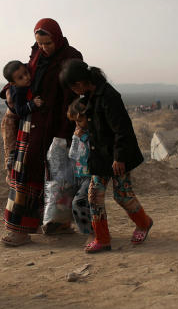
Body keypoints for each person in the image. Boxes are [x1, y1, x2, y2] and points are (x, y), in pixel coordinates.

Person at [1, 18, 83, 246]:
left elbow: (73, 95)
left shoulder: (70, 57)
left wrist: (68, 129)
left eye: (48, 43)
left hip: (58, 125)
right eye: (40, 43)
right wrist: (12, 92)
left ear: (57, 38)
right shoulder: (36, 54)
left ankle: (59, 224)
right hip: (32, 124)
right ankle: (20, 229)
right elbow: (23, 80)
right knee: (26, 172)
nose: (44, 48)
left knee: (58, 176)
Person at [60, 60, 153, 253]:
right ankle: (102, 239)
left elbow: (122, 129)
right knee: (94, 196)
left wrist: (119, 158)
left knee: (122, 196)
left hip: (119, 156)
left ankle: (144, 223)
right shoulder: (89, 96)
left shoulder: (109, 96)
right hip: (100, 157)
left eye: (73, 87)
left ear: (79, 83)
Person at [67, 99, 93, 235]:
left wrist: (83, 138)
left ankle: (89, 233)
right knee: (85, 204)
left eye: (80, 120)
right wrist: (76, 139)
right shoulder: (78, 133)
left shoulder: (92, 134)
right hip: (79, 174)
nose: (78, 124)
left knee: (79, 202)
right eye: (76, 122)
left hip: (90, 175)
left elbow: (93, 150)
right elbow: (73, 154)